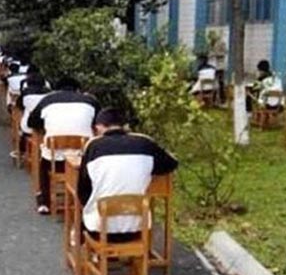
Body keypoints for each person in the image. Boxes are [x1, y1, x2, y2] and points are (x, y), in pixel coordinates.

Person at [77, 108, 178, 242]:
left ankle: (81, 241)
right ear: (124, 125)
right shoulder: (145, 143)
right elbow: (171, 164)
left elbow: (83, 189)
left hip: (99, 230)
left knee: (87, 211)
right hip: (138, 229)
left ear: (99, 126)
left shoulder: (94, 146)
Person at [28, 77, 100, 214]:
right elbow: (100, 124)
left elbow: (32, 122)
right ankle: (87, 202)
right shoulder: (90, 101)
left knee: (43, 163)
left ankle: (44, 202)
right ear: (78, 90)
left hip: (54, 161)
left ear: (56, 90)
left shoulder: (47, 100)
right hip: (82, 162)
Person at [15, 73, 51, 156]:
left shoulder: (26, 92)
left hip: (28, 127)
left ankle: (22, 151)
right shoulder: (49, 94)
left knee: (23, 126)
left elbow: (19, 105)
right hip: (46, 128)